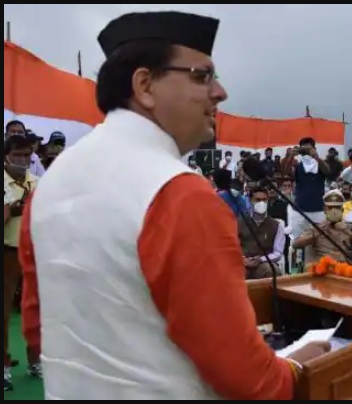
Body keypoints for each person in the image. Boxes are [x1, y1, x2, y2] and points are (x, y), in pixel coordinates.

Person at [18, 11, 329, 400]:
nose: (220, 92)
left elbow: (38, 330)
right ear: (145, 85)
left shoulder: (48, 188)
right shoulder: (179, 194)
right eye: (202, 76)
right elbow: (246, 379)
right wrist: (298, 368)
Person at [4, 135, 41, 391]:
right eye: (17, 155)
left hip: (32, 251)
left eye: (26, 155)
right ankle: (3, 366)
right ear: (6, 157)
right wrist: (17, 209)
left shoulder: (36, 181)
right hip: (6, 251)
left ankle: (35, 361)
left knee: (37, 307)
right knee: (3, 312)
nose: (22, 159)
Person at [292, 190, 352, 266]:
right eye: (330, 208)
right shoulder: (316, 228)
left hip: (343, 269)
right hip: (322, 269)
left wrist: (347, 232)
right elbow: (295, 244)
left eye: (337, 208)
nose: (334, 211)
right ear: (324, 210)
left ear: (342, 210)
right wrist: (316, 234)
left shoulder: (351, 228)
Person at [238, 187, 286, 279]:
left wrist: (260, 259)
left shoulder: (276, 225)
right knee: (232, 273)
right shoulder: (239, 222)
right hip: (242, 263)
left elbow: (278, 253)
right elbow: (232, 247)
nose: (262, 203)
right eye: (258, 200)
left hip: (263, 263)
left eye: (264, 200)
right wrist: (243, 260)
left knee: (273, 271)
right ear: (250, 201)